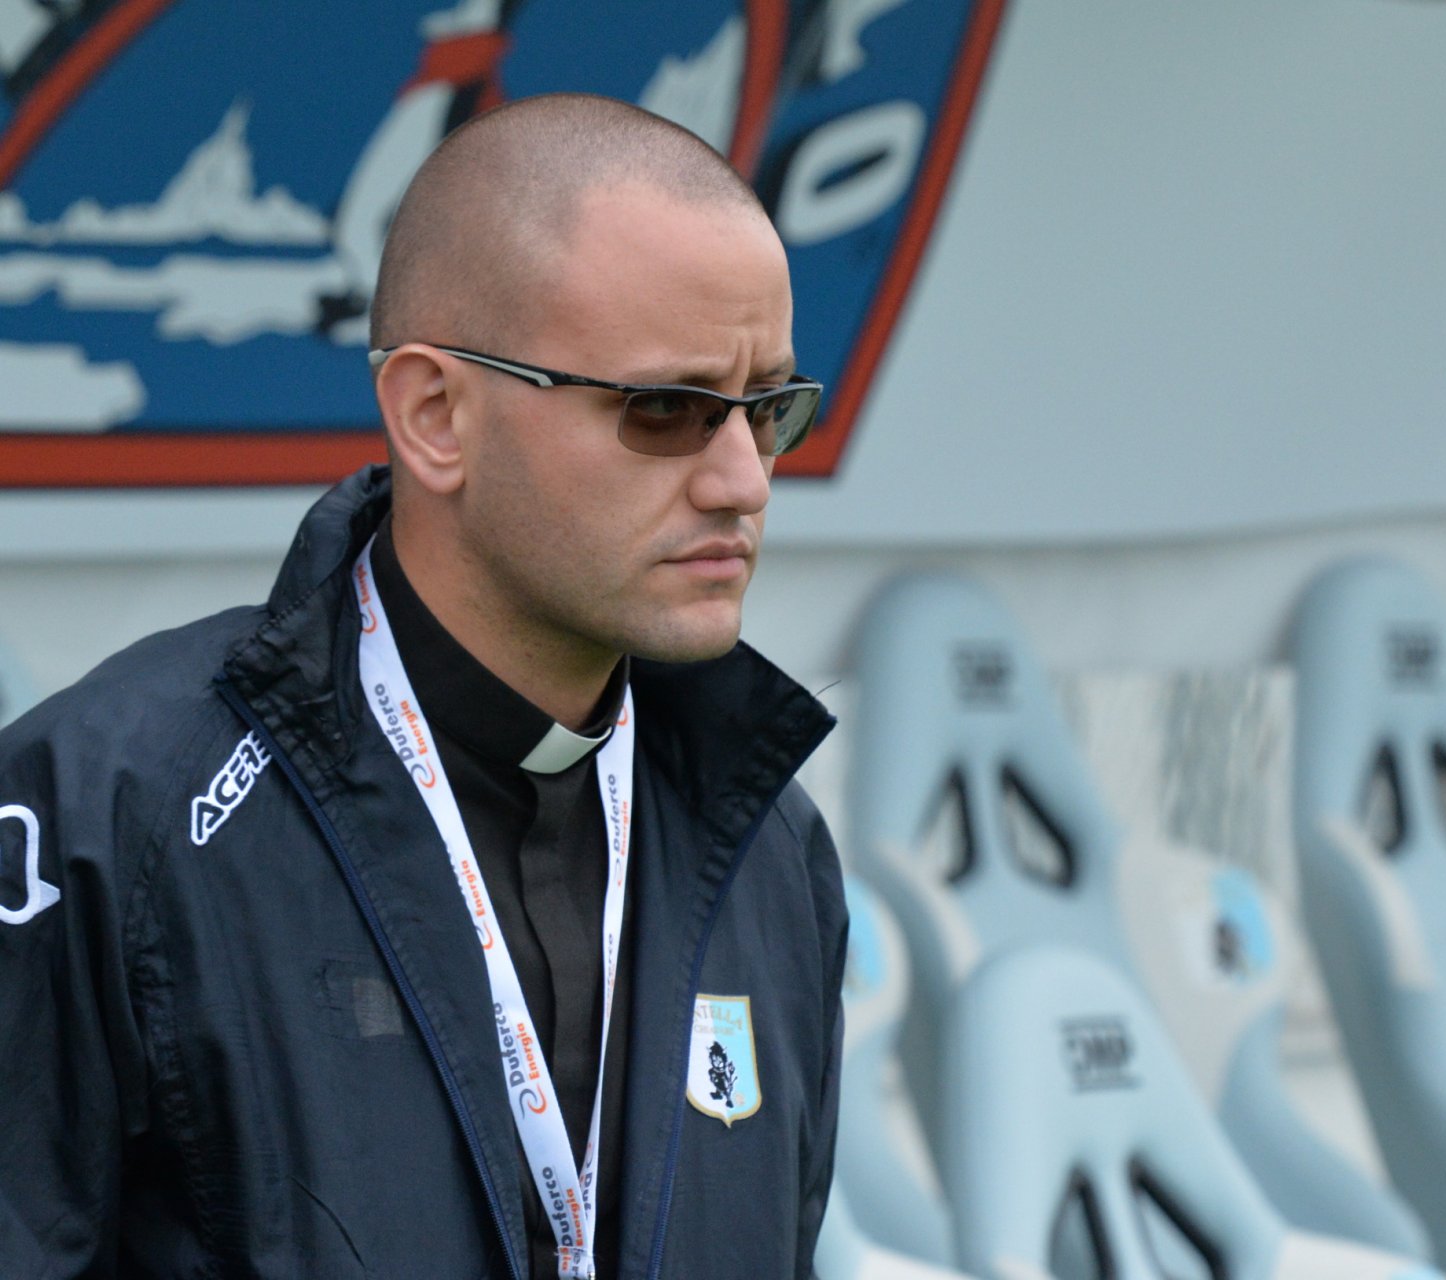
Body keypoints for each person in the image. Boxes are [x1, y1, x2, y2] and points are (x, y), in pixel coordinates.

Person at [0, 93, 846, 1280]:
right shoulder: (106, 813)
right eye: (669, 409)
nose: (743, 480)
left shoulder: (773, 851)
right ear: (435, 415)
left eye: (770, 409)